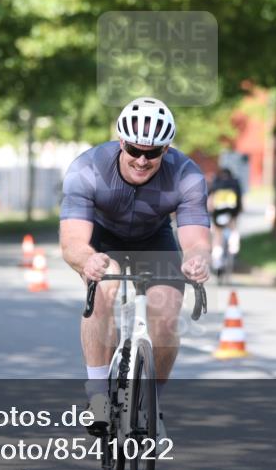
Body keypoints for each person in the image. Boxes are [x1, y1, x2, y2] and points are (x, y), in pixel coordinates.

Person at [59, 96, 211, 440]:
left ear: (166, 149)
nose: (142, 160)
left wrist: (198, 258)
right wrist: (87, 259)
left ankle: (151, 404)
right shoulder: (87, 169)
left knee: (167, 314)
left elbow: (197, 238)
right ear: (120, 141)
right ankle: (98, 397)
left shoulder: (186, 175)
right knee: (105, 288)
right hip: (101, 240)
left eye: (153, 153)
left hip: (154, 238)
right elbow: (72, 241)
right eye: (134, 150)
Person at [207, 167, 243, 271]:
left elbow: (210, 202)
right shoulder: (235, 184)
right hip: (231, 214)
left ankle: (217, 259)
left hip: (217, 214)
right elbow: (240, 203)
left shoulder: (216, 184)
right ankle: (234, 247)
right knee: (233, 228)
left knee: (217, 236)